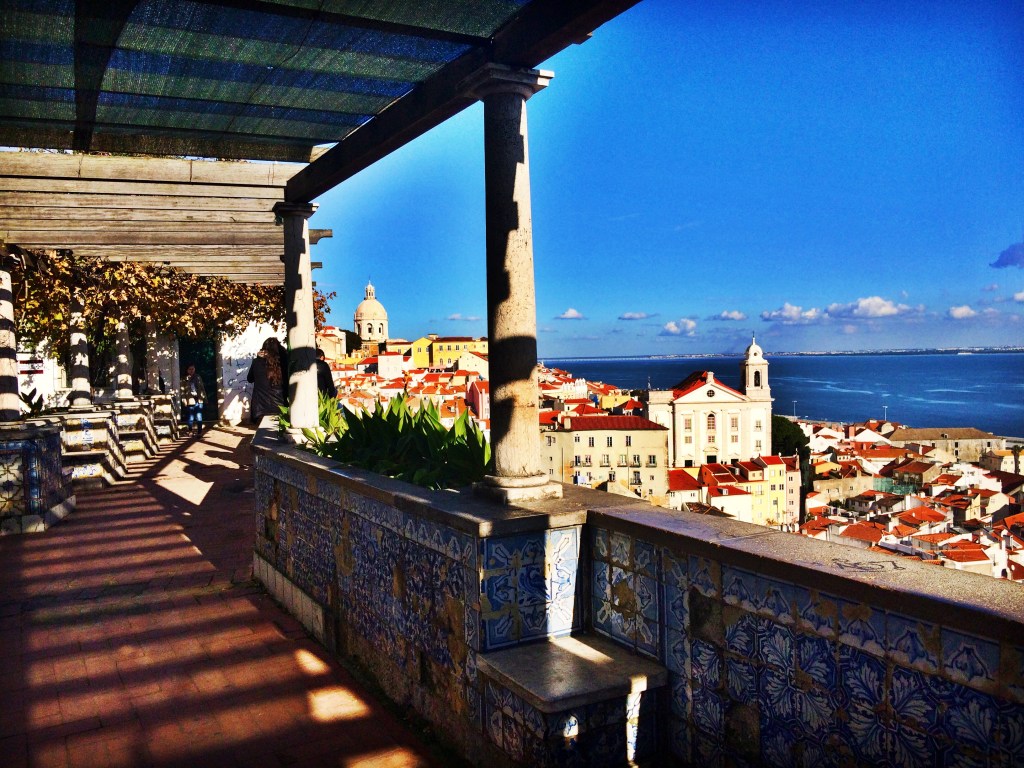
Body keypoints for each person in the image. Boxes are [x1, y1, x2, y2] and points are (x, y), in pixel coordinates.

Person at [247, 337, 287, 425]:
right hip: (281, 406)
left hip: (260, 408)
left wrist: (259, 359)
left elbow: (250, 379)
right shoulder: (284, 363)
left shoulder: (257, 362)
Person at [181, 364, 207, 436]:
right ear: (187, 370)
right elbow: (182, 390)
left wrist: (204, 398)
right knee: (190, 417)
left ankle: (199, 432)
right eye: (190, 369)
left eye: (193, 369)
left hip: (198, 399)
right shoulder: (184, 379)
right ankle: (190, 430)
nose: (191, 371)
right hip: (190, 399)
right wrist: (184, 400)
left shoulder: (198, 377)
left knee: (199, 416)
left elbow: (202, 388)